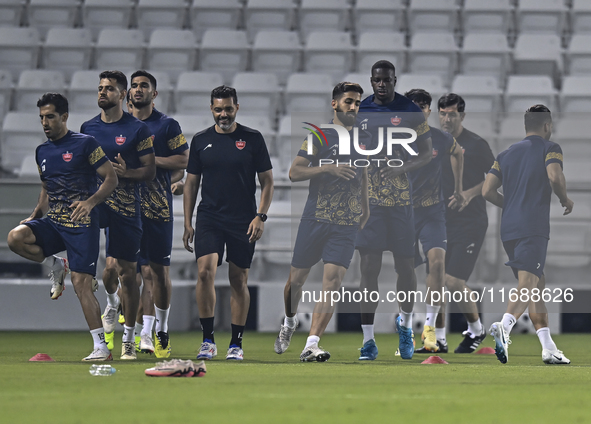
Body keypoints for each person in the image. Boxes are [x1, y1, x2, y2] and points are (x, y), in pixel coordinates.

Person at [7, 93, 118, 361]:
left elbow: (111, 179)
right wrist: (34, 215)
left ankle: (101, 347)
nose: (45, 122)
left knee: (81, 284)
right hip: (55, 222)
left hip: (82, 225)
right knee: (15, 237)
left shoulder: (85, 144)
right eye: (42, 117)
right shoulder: (41, 151)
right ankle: (55, 264)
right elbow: (47, 186)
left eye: (50, 116)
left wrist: (90, 203)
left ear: (64, 117)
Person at [274, 82, 370, 362]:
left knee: (333, 282)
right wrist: (328, 167)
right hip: (315, 218)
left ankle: (311, 344)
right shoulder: (319, 136)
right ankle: (290, 321)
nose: (354, 107)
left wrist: (365, 209)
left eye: (357, 103)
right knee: (296, 282)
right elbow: (294, 172)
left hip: (346, 223)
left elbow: (363, 173)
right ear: (335, 104)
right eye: (349, 101)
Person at [183, 86, 274, 361]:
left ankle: (236, 343)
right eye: (218, 109)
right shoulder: (200, 140)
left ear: (237, 107)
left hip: (243, 218)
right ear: (211, 109)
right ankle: (208, 340)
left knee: (238, 280)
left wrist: (261, 216)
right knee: (204, 272)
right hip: (210, 216)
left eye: (228, 109)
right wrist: (187, 222)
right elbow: (191, 184)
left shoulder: (253, 139)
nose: (223, 114)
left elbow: (267, 182)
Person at [354, 60, 432, 361]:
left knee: (406, 268)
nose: (381, 84)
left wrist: (404, 166)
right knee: (368, 269)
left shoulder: (410, 110)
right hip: (370, 204)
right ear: (371, 81)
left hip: (401, 203)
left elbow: (425, 153)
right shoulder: (360, 110)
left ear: (394, 80)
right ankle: (369, 340)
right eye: (376, 80)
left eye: (386, 80)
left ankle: (405, 328)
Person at [483, 105, 573, 365]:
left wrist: (510, 206)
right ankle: (505, 326)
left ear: (525, 126)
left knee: (537, 286)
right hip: (532, 227)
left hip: (508, 230)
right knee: (528, 284)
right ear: (547, 126)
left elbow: (487, 191)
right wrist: (565, 199)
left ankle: (548, 347)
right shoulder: (550, 147)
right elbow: (555, 176)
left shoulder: (506, 153)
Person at [81, 70, 156, 360]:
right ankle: (111, 303)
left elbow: (149, 171)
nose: (103, 92)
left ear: (122, 95)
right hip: (97, 203)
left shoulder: (138, 129)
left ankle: (128, 338)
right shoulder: (87, 128)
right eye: (100, 88)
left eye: (109, 88)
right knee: (101, 271)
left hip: (126, 206)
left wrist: (128, 173)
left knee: (127, 273)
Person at [128, 70, 189, 358]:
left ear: (154, 93)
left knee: (152, 273)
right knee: (118, 271)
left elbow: (184, 160)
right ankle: (118, 313)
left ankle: (147, 333)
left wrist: (151, 161)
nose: (138, 90)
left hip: (156, 208)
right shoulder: (119, 126)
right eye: (134, 86)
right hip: (124, 208)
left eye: (144, 86)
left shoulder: (166, 125)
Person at [404, 89, 464, 354]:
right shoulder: (394, 139)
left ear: (429, 111)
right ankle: (405, 330)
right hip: (403, 213)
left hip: (433, 212)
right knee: (405, 273)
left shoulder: (441, 138)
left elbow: (458, 153)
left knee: (437, 264)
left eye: (423, 106)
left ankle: (434, 334)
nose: (419, 110)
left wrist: (459, 189)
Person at [436, 93, 495, 353]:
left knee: (451, 281)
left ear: (462, 115)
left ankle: (476, 329)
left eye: (452, 114)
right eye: (443, 113)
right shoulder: (434, 142)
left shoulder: (477, 144)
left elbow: (496, 178)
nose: (447, 118)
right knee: (436, 281)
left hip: (471, 221)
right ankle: (437, 339)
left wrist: (468, 195)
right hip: (440, 220)